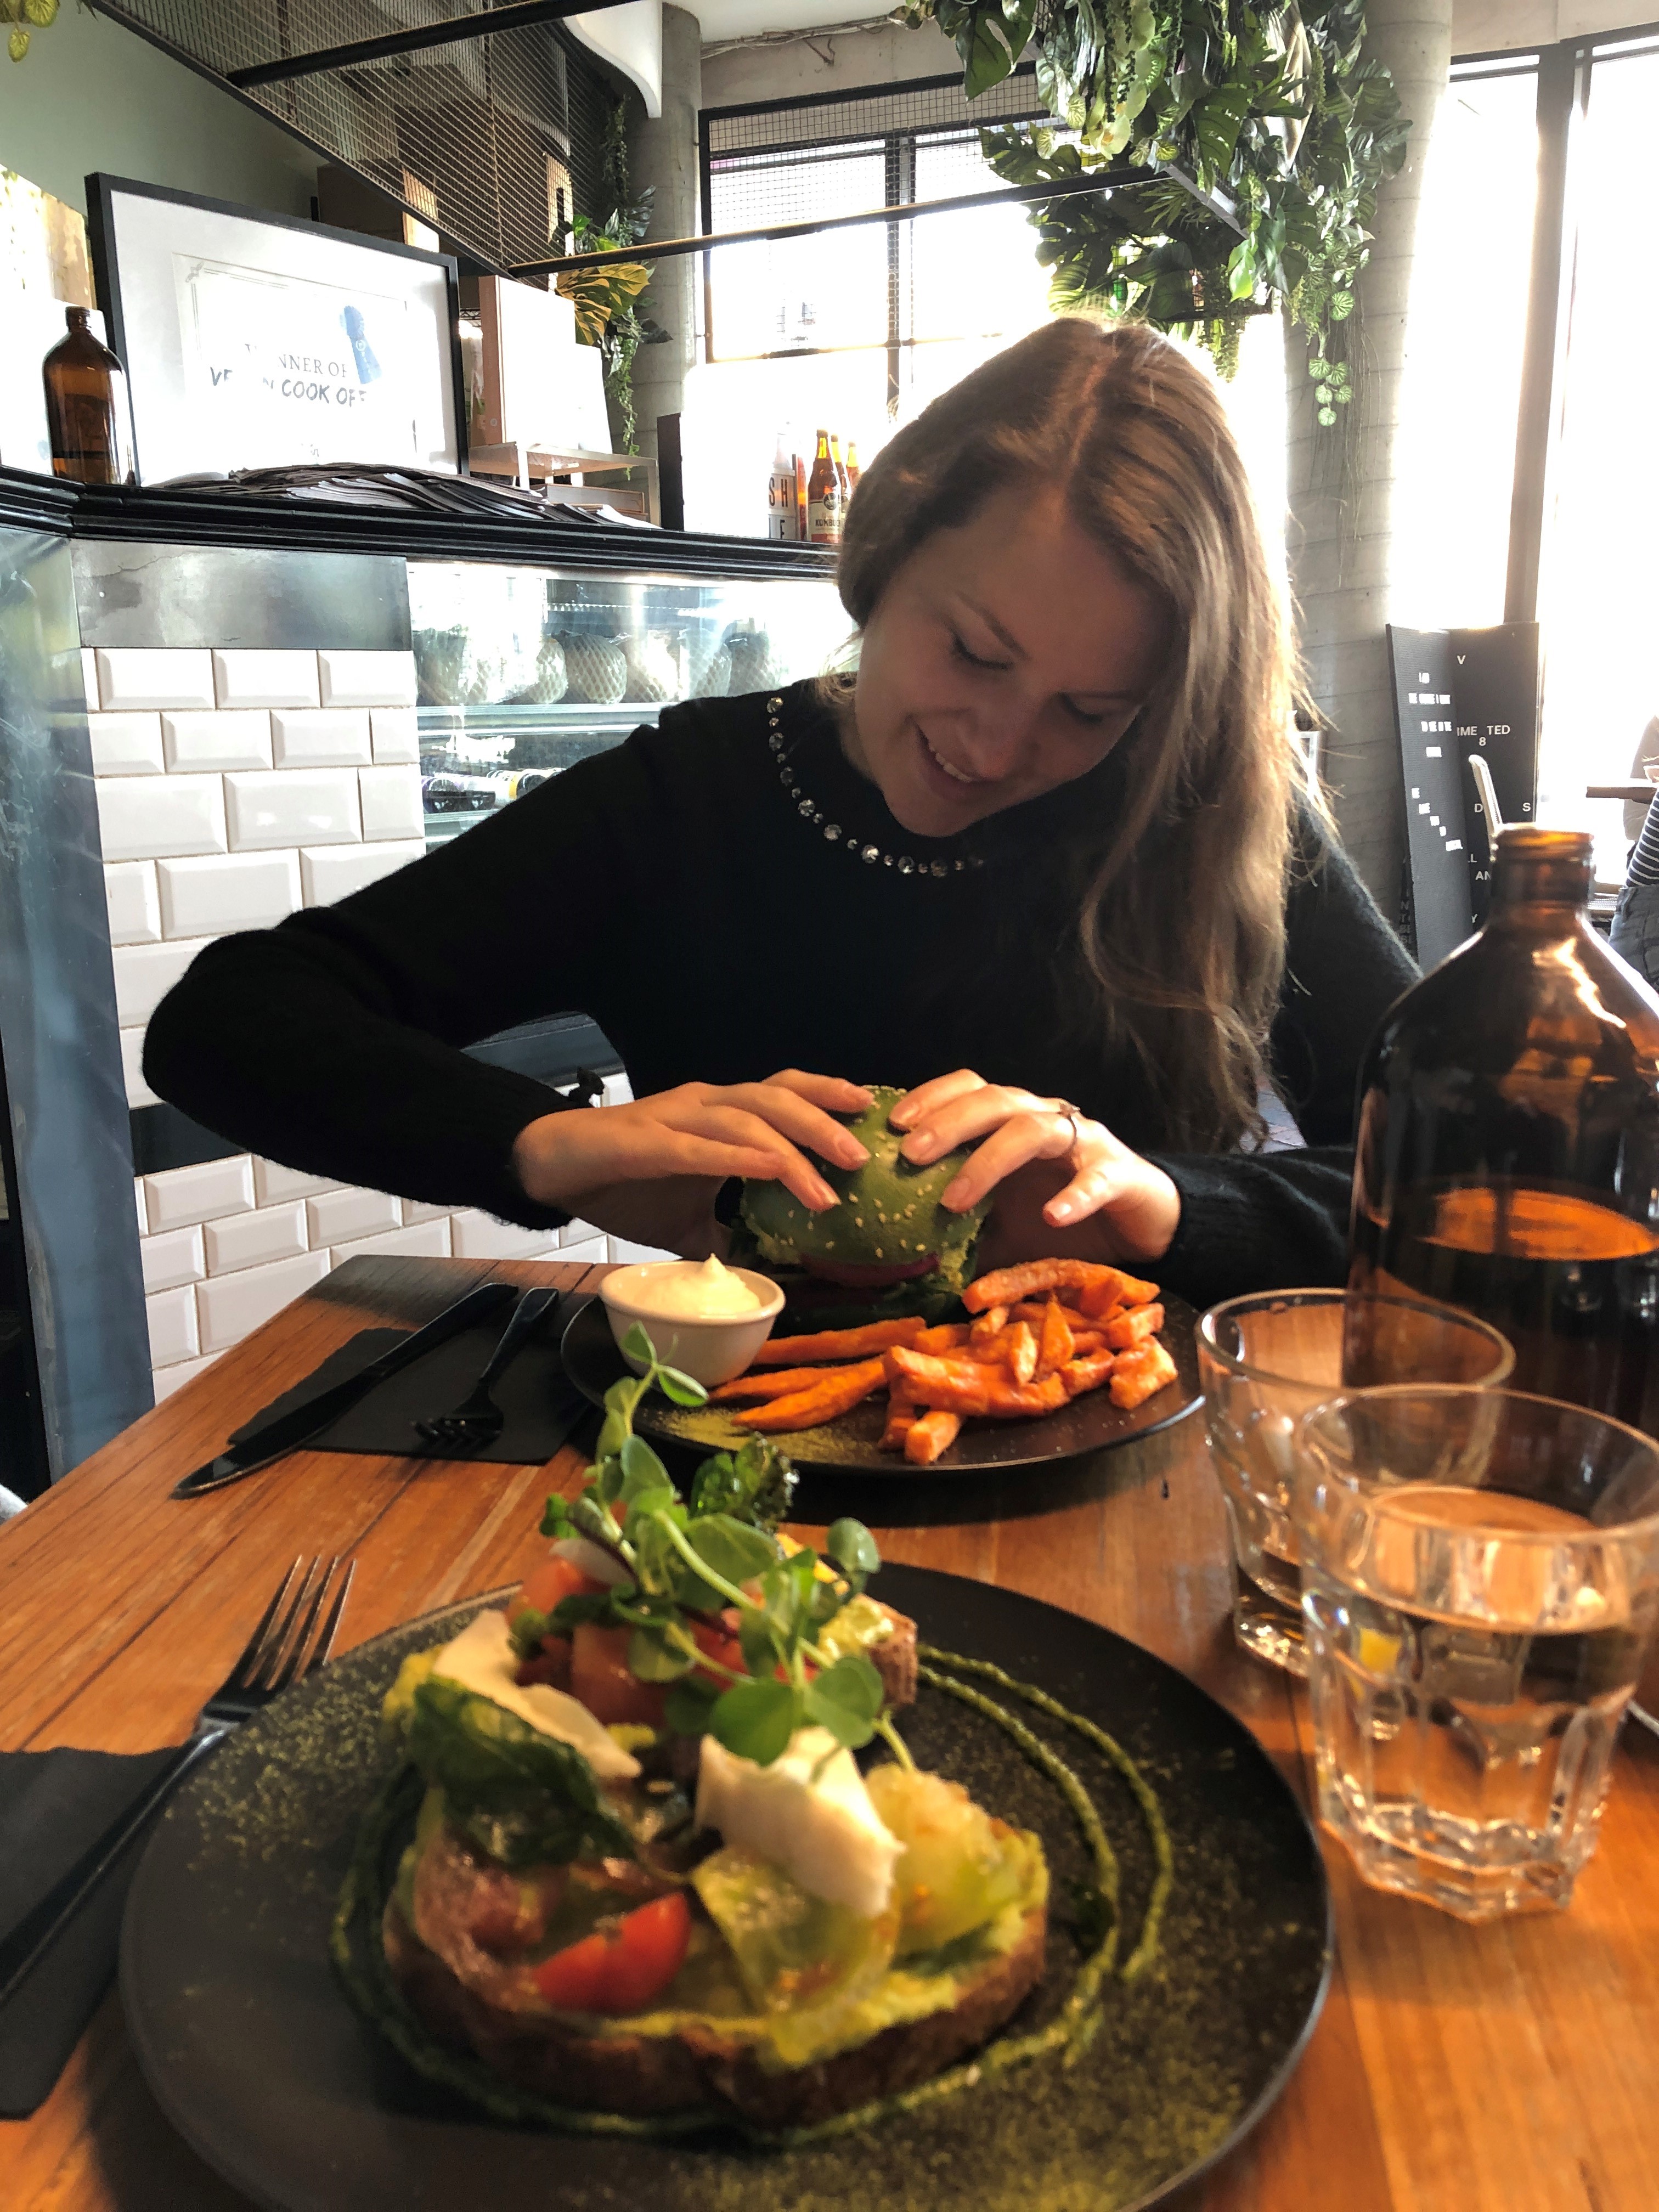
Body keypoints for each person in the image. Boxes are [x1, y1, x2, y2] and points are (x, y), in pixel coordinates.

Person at [144, 319, 1417, 1311]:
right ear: (885, 550)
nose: (999, 745)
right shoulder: (688, 801)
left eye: (1090, 711)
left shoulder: (1201, 805)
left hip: (1121, 1462)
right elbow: (226, 1025)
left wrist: (1173, 1209)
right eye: (974, 653)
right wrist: (551, 1147)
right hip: (731, 1485)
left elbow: (1484, 1167)